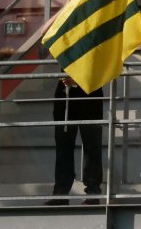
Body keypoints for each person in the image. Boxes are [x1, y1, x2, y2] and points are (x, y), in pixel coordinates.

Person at [44, 77, 104, 205]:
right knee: (63, 147)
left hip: (91, 95)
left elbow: (99, 69)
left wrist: (77, 80)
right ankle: (61, 193)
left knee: (92, 146)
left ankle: (93, 192)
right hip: (65, 94)